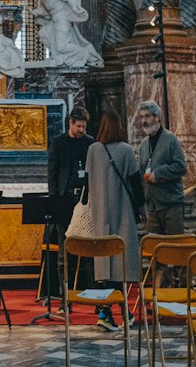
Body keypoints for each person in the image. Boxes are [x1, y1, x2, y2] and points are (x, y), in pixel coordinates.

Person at [85, 111, 141, 331]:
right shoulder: (127, 150)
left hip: (100, 213)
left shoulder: (92, 150)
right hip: (123, 211)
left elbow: (88, 181)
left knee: (103, 267)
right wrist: (142, 208)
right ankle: (120, 312)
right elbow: (135, 182)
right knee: (120, 265)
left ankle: (106, 313)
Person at [45, 105, 93, 296]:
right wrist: (54, 200)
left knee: (89, 247)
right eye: (79, 126)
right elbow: (52, 173)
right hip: (65, 200)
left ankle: (91, 291)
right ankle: (64, 293)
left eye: (84, 127)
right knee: (64, 249)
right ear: (70, 124)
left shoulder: (90, 143)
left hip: (85, 199)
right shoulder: (58, 143)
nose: (82, 130)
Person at [137, 100, 188, 236]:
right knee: (155, 250)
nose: (144, 121)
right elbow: (141, 172)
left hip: (171, 205)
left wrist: (159, 174)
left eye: (147, 116)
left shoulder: (170, 139)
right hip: (152, 208)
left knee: (174, 250)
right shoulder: (143, 144)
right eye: (142, 117)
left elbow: (181, 166)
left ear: (157, 117)